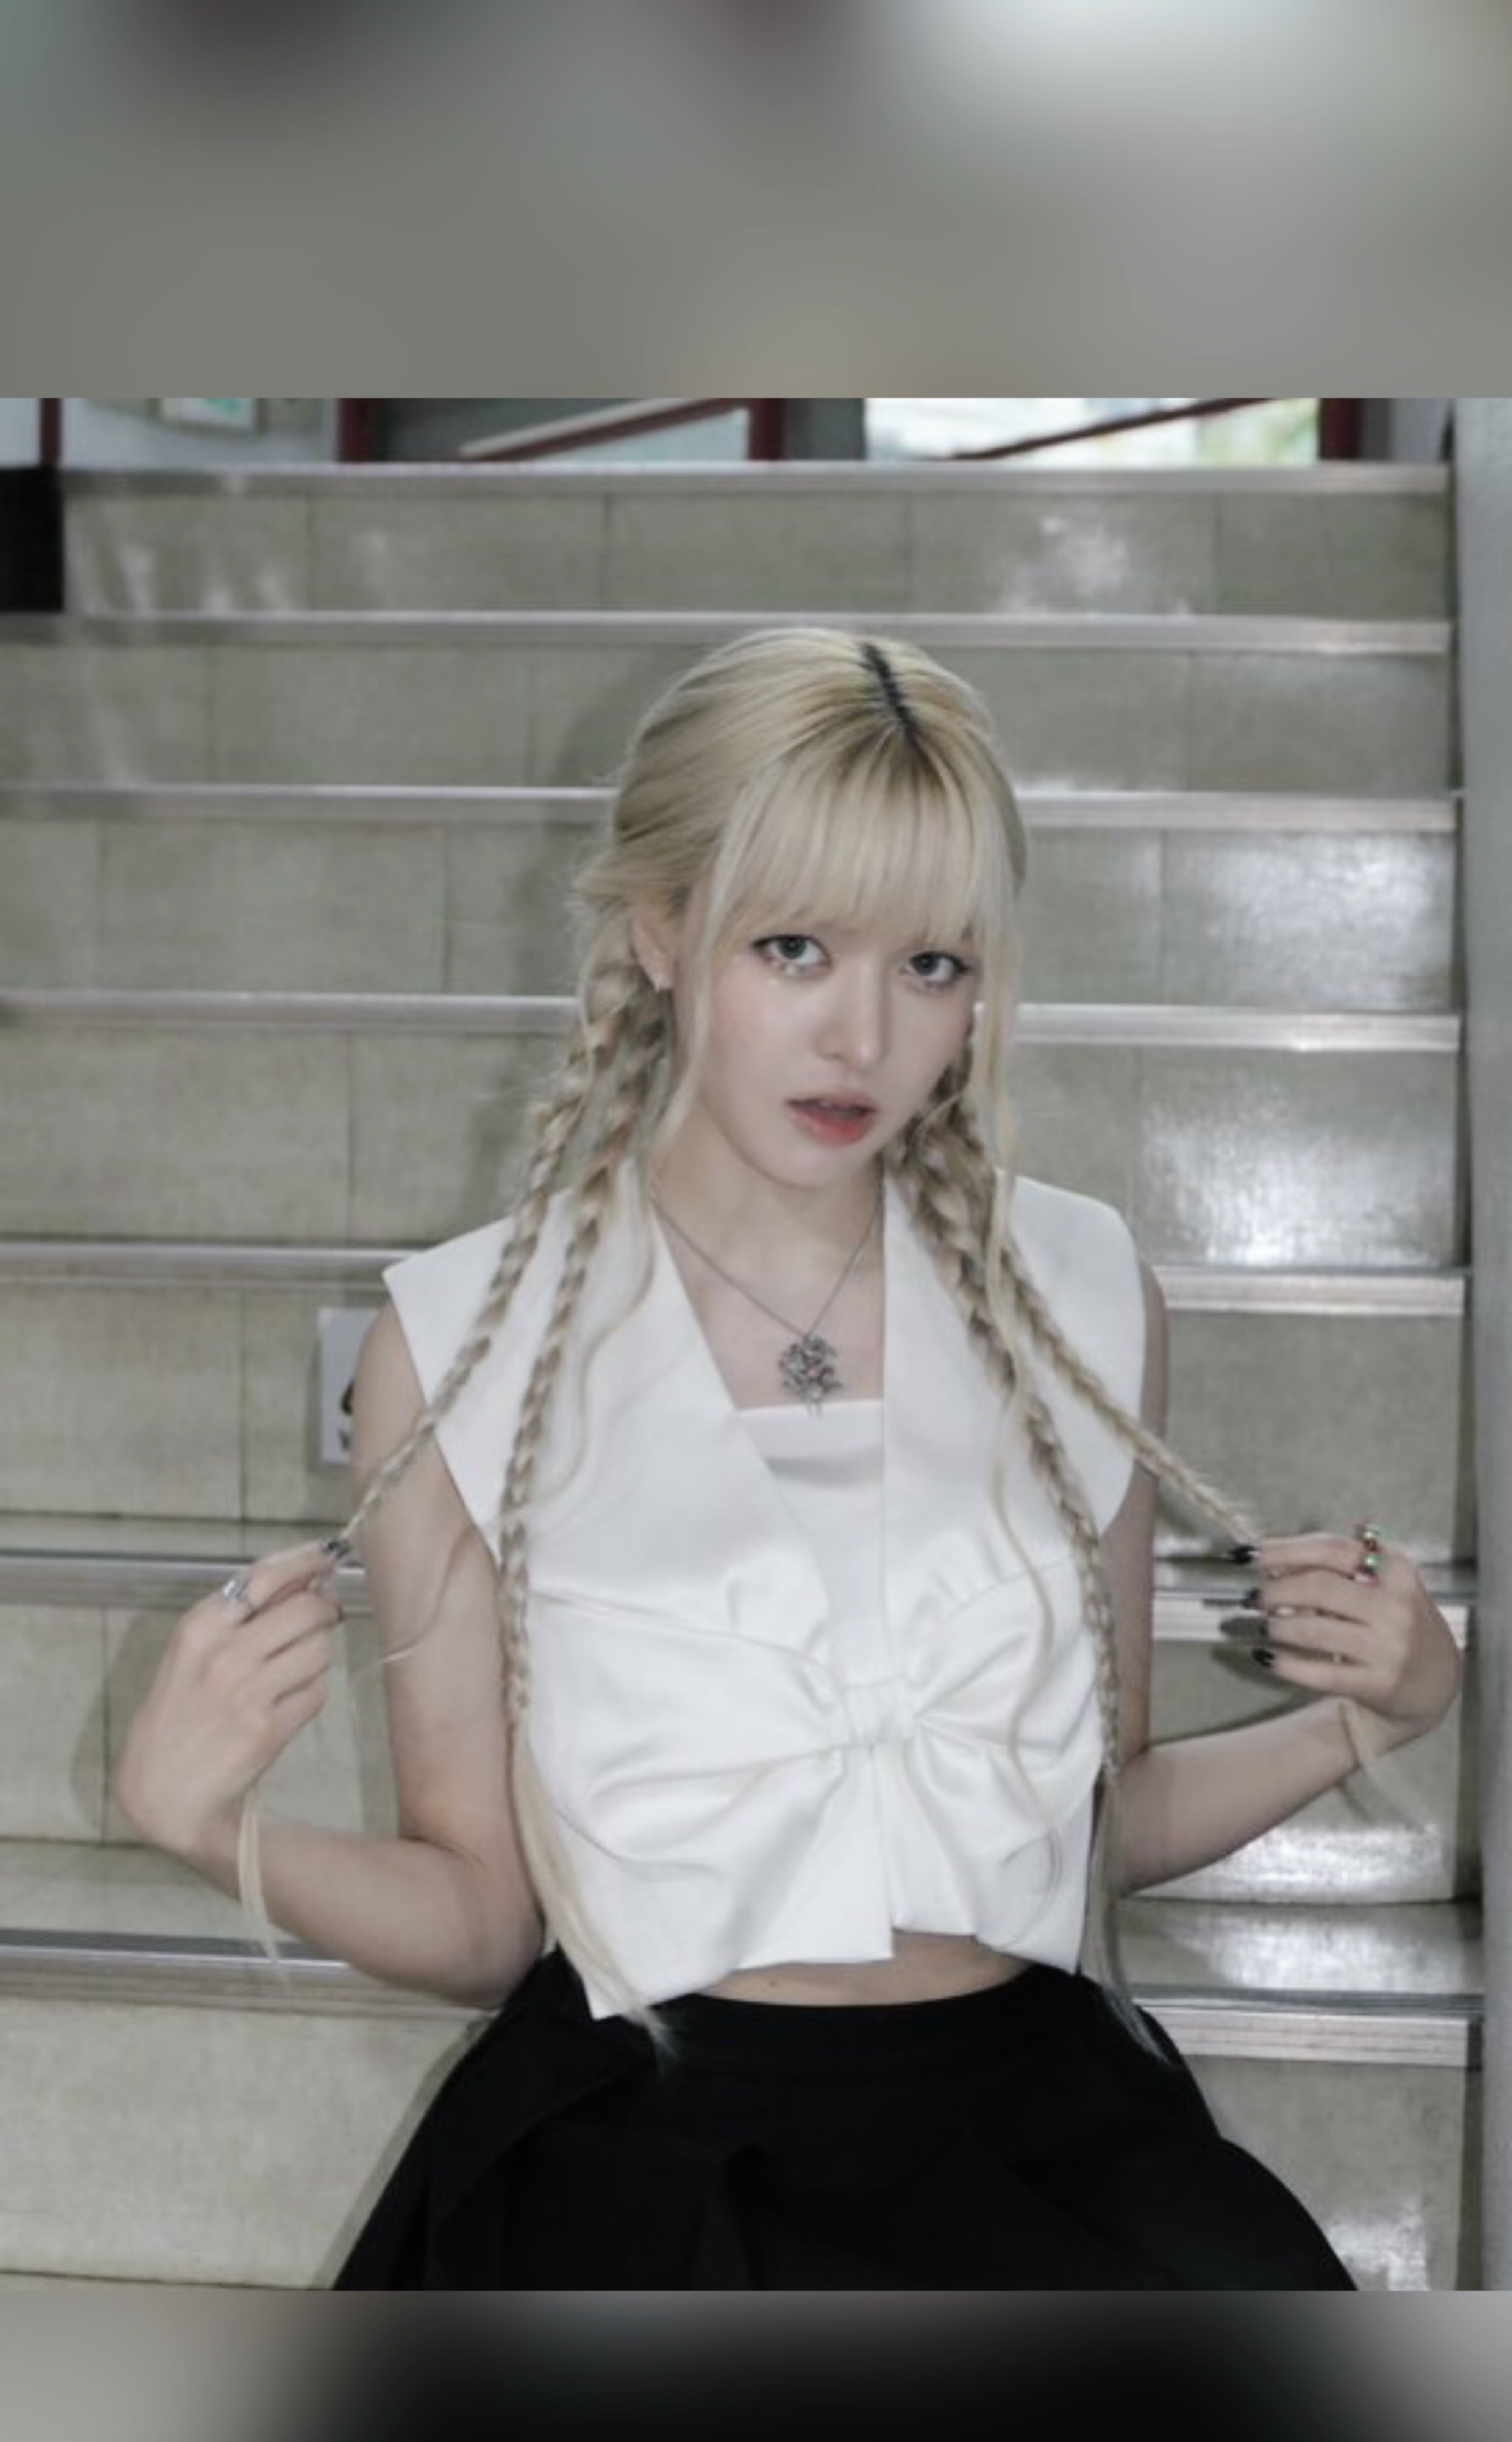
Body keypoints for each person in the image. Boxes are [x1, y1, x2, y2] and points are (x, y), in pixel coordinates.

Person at [113, 624, 1465, 2288]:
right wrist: (205, 1825)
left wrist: (1373, 1716)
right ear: (659, 927)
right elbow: (484, 1913)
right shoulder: (467, 1336)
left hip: (1035, 2129)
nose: (862, 1039)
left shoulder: (1080, 1287)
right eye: (796, 947)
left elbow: (1092, 1816)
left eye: (933, 964)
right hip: (645, 2152)